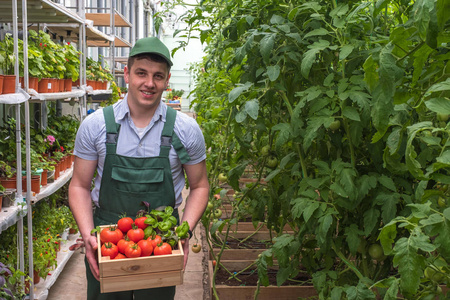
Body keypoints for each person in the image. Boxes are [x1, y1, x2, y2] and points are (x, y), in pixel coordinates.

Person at [68, 37, 209, 300]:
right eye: (141, 73)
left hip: (161, 241)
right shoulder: (96, 126)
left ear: (166, 81)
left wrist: (184, 233)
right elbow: (79, 185)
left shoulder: (185, 130)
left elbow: (200, 186)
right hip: (107, 241)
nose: (149, 83)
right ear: (127, 74)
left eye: (158, 76)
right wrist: (88, 236)